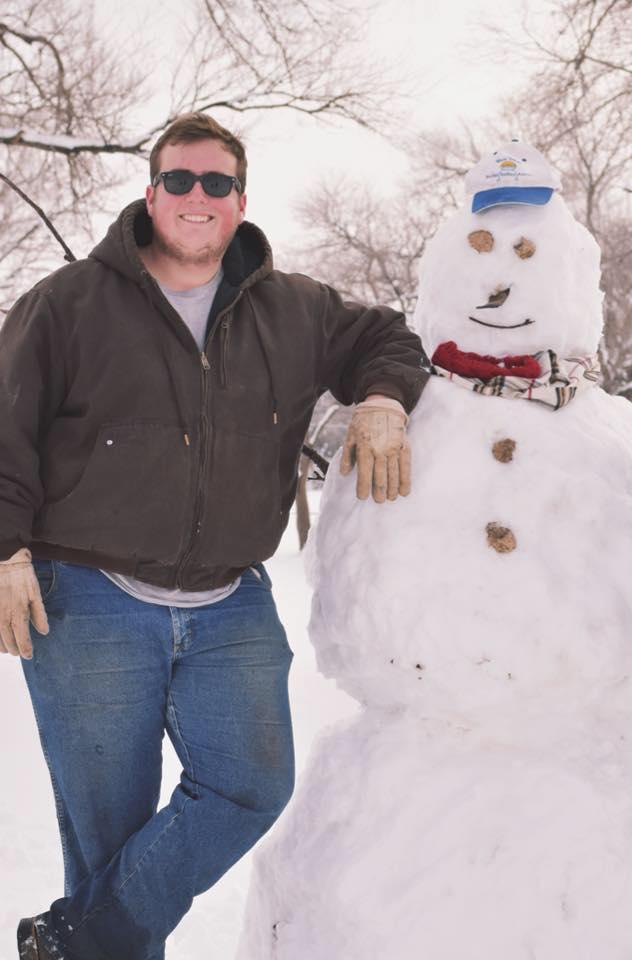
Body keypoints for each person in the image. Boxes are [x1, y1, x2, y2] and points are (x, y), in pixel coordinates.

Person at [0, 112, 429, 960]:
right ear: (152, 192)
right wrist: (7, 549)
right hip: (87, 599)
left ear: (241, 201)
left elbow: (389, 337)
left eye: (217, 184)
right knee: (108, 832)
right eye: (181, 181)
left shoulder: (294, 307)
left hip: (232, 600)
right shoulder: (70, 302)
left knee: (250, 786)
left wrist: (380, 399)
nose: (199, 198)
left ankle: (75, 942)